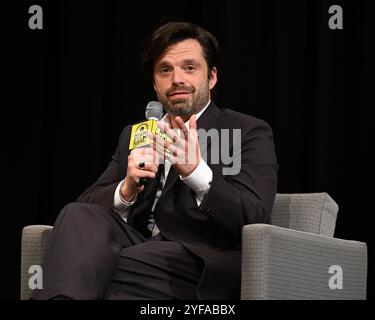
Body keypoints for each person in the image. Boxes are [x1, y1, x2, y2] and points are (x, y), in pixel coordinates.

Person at [32, 21, 278, 300]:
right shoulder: (136, 134)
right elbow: (83, 212)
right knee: (77, 215)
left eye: (189, 67)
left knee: (85, 269)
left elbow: (255, 217)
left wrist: (197, 172)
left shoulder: (246, 131)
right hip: (138, 249)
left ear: (211, 77)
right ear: (154, 82)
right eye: (165, 70)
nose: (177, 79)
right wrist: (126, 190)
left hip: (198, 259)